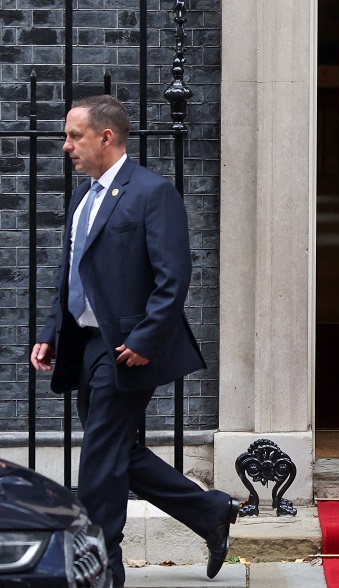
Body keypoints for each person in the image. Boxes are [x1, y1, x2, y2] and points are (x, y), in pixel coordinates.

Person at [30, 95, 238, 586]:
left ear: (106, 137)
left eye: (74, 136)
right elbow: (70, 274)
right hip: (84, 343)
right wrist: (50, 332)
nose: (66, 147)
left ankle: (102, 567)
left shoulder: (150, 192)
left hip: (127, 348)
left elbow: (174, 276)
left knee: (100, 462)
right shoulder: (83, 197)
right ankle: (211, 511)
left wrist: (146, 338)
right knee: (117, 449)